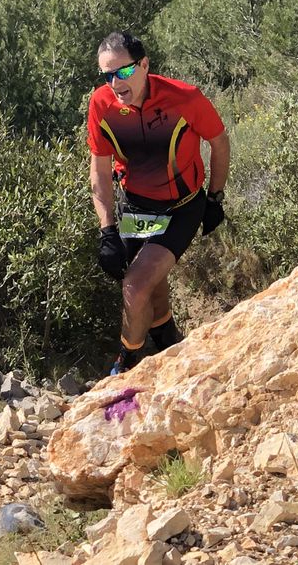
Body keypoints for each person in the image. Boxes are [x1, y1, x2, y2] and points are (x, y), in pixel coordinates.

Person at [87, 32, 230, 375]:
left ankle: (129, 364)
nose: (115, 83)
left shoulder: (184, 99)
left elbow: (219, 144)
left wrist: (215, 196)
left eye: (122, 72)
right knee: (147, 277)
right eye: (107, 75)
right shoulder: (102, 105)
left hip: (181, 207)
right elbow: (100, 172)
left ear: (145, 65)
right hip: (136, 206)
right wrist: (107, 231)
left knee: (135, 286)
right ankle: (167, 336)